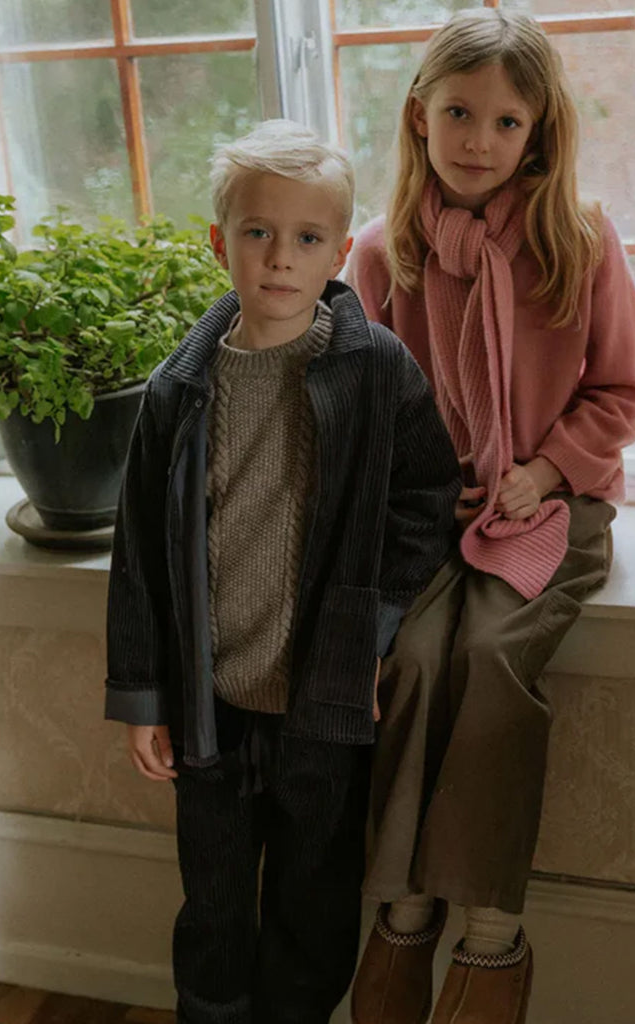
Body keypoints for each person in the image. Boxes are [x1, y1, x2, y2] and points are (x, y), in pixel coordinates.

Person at [104, 119, 461, 1024]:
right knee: (215, 902)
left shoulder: (374, 368)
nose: (279, 259)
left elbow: (426, 497)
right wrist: (142, 694)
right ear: (219, 243)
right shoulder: (176, 391)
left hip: (323, 697)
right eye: (257, 233)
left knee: (312, 898)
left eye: (307, 239)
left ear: (340, 251)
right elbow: (140, 552)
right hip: (208, 705)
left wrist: (372, 622)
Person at [346, 10, 635, 1024]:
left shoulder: (577, 236)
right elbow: (362, 410)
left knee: (494, 653)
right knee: (419, 654)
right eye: (458, 112)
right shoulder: (381, 256)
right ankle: (401, 914)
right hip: (431, 516)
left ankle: (489, 938)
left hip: (552, 506)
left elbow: (621, 391)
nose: (478, 140)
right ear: (418, 116)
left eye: (505, 121)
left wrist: (549, 468)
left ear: (538, 135)